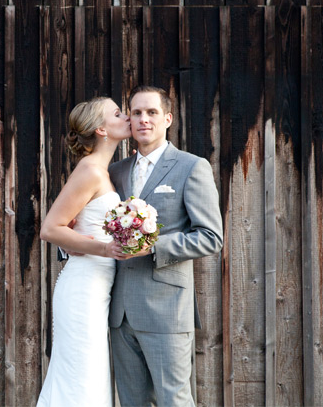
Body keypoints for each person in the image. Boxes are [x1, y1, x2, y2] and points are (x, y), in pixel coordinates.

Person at [107, 85, 223, 406]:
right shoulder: (115, 172)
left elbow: (211, 236)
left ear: (168, 118)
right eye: (137, 113)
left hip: (167, 311)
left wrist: (154, 247)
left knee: (174, 401)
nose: (144, 119)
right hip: (120, 315)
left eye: (152, 112)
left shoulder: (191, 166)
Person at [36, 96, 131, 407]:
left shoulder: (105, 171)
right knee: (82, 377)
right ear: (101, 129)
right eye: (118, 113)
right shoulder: (90, 170)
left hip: (99, 287)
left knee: (90, 376)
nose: (126, 116)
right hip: (83, 289)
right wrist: (105, 248)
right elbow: (51, 228)